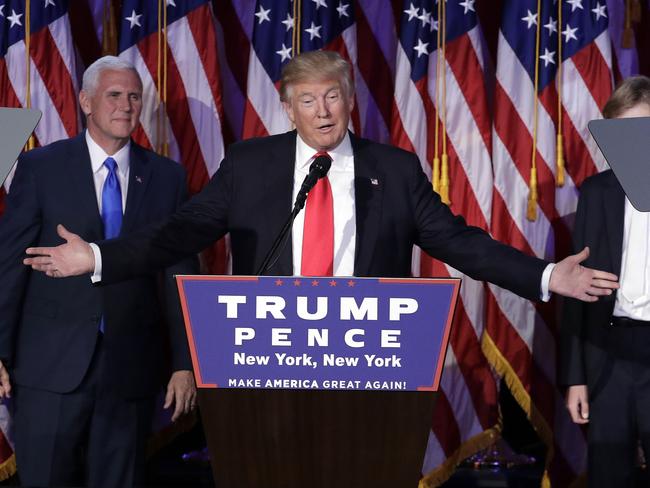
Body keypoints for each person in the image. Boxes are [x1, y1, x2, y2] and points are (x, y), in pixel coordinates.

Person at [24, 51, 617, 308]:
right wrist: (100, 258)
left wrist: (543, 275)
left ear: (349, 100)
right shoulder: (252, 164)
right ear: (289, 108)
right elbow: (178, 233)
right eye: (309, 101)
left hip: (365, 362)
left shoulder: (394, 169)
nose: (324, 111)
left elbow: (459, 242)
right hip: (269, 359)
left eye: (333, 96)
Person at [0, 56, 198, 487]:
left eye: (133, 96)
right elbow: (9, 266)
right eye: (114, 95)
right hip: (48, 367)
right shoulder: (40, 169)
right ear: (87, 101)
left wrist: (185, 362)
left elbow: (177, 275)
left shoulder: (167, 177)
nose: (126, 105)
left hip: (129, 371)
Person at [560, 76, 650, 487]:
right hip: (610, 355)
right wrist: (576, 376)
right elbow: (577, 290)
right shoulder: (596, 193)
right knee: (609, 475)